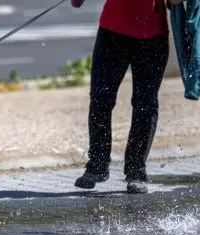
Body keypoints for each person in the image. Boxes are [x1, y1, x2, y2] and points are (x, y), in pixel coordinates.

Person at [72, 0, 184, 194]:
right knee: (100, 99)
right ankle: (98, 165)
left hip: (152, 38)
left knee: (145, 104)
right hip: (112, 32)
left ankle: (136, 171)